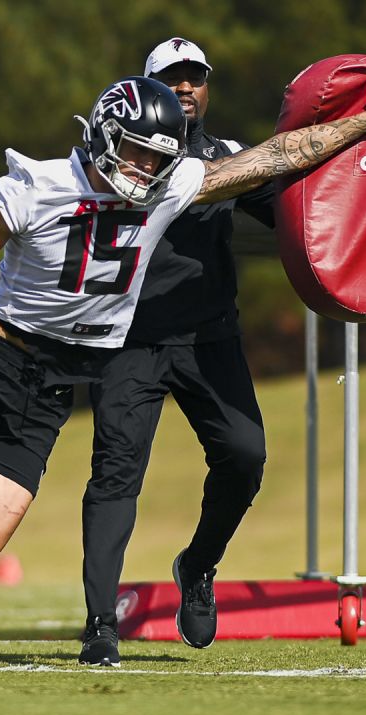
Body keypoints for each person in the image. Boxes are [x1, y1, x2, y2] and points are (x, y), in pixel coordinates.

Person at [0, 69, 366, 670]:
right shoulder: (38, 185)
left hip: (54, 386)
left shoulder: (170, 185)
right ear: (106, 134)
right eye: (135, 152)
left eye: (158, 158)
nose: (143, 169)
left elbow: (282, 155)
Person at [76, 37, 275, 659]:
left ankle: (197, 567)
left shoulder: (231, 157)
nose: (186, 87)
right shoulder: (110, 153)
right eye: (173, 77)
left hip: (210, 339)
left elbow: (298, 214)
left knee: (245, 458)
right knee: (115, 476)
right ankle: (101, 626)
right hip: (128, 340)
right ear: (147, 87)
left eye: (196, 78)